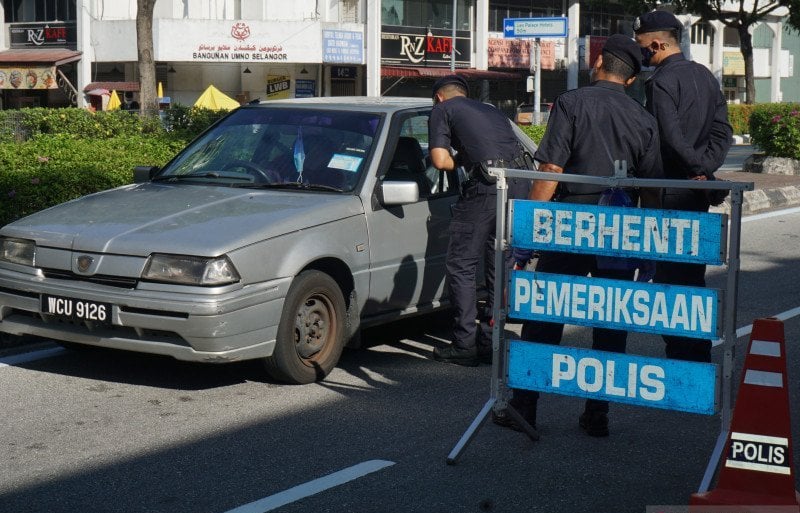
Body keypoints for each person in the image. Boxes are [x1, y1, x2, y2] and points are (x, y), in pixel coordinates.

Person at [493, 34, 664, 438]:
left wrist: (527, 233)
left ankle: (525, 408)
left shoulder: (572, 102)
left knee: (546, 315)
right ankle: (597, 414)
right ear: (632, 79)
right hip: (621, 230)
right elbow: (653, 188)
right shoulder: (644, 118)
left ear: (602, 62)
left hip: (570, 224)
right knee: (610, 320)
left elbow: (551, 171)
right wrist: (649, 245)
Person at [634, 10, 733, 363]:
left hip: (670, 191)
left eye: (643, 47)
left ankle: (682, 356)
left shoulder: (661, 81)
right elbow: (724, 132)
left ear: (659, 43)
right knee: (693, 276)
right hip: (695, 193)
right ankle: (698, 352)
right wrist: (705, 171)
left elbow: (670, 138)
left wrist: (696, 171)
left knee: (670, 280)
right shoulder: (705, 76)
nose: (642, 54)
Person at [428, 74, 531, 367]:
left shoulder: (442, 110)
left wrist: (458, 159)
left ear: (439, 97)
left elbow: (439, 161)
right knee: (500, 264)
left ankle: (464, 344)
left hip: (485, 189)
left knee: (461, 264)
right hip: (518, 185)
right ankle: (490, 341)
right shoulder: (491, 110)